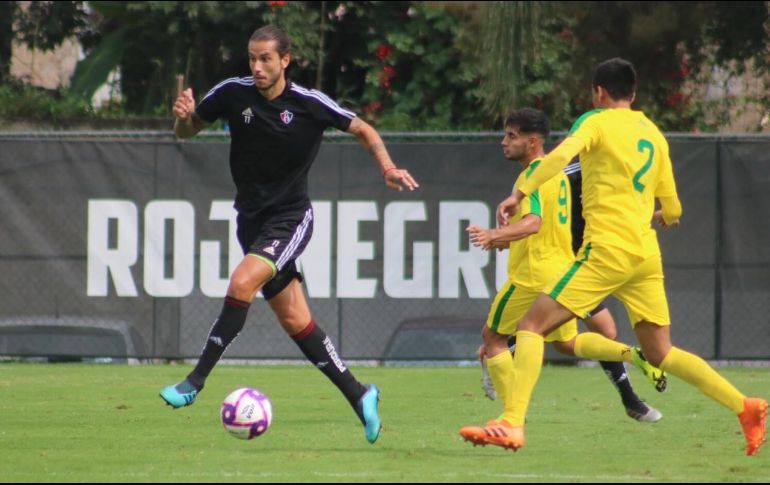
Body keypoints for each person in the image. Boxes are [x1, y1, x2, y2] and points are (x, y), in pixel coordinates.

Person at [462, 58, 767, 456]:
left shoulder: (596, 123)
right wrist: (657, 215)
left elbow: (556, 160)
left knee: (531, 326)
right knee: (663, 352)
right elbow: (673, 208)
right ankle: (745, 407)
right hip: (644, 256)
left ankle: (511, 422)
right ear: (634, 93)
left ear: (599, 93)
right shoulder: (654, 134)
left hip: (606, 252)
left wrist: (520, 192)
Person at [159, 25, 419, 445]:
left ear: (285, 60)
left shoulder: (309, 103)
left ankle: (195, 380)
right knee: (296, 320)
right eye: (252, 58)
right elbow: (186, 133)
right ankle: (360, 394)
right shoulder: (230, 93)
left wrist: (387, 167)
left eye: (266, 59)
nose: (257, 67)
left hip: (291, 217)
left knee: (242, 281)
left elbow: (364, 131)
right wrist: (182, 118)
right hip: (251, 222)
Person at [463, 108, 664, 449]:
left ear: (533, 141)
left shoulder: (535, 174)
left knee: (493, 339)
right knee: (565, 343)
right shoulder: (557, 173)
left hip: (532, 275)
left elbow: (534, 223)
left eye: (511, 136)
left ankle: (512, 417)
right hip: (561, 267)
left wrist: (495, 236)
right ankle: (632, 354)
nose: (504, 142)